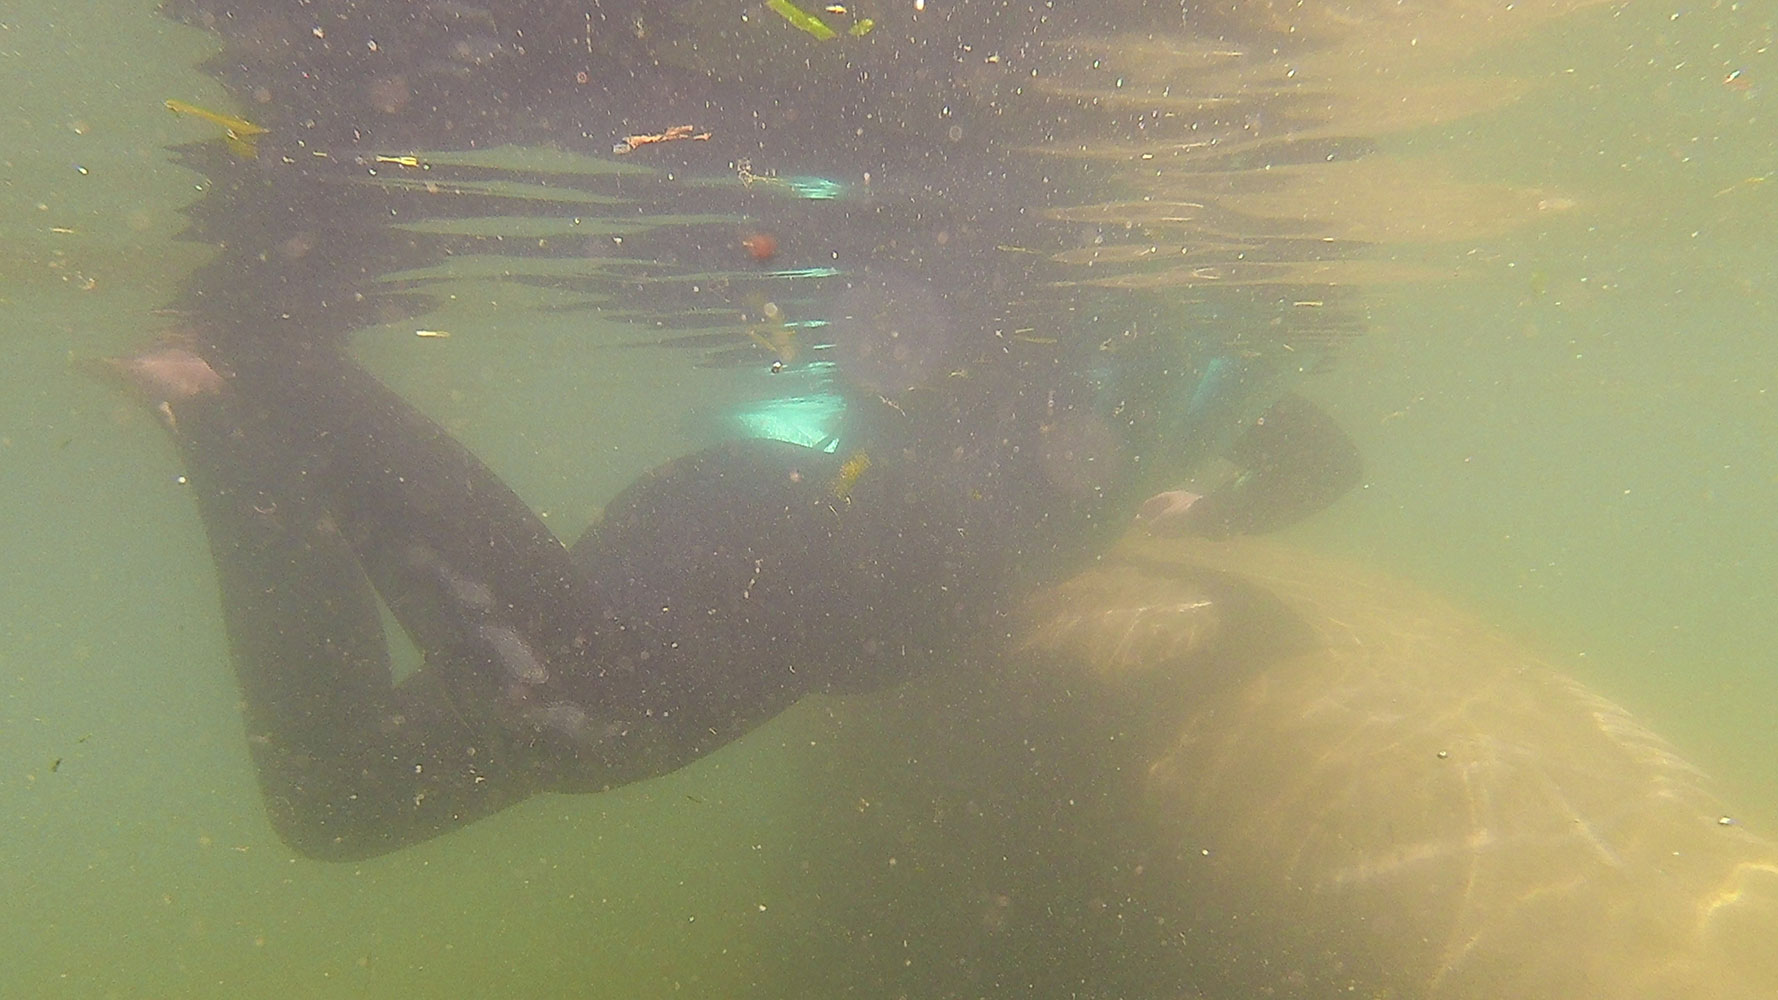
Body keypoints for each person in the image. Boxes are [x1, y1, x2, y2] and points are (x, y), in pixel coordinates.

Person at [131, 0, 1363, 860]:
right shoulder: (1171, 341)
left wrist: (1201, 507)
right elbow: (1308, 455)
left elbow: (1308, 456)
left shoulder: (1190, 354)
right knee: (585, 721)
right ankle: (274, 374)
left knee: (338, 804)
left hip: (800, 531)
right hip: (830, 550)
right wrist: (1204, 512)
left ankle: (229, 417)